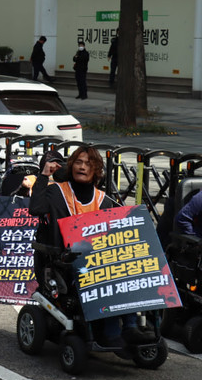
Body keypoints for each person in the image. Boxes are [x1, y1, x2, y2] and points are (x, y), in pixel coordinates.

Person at [29, 146, 146, 346]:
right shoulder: (57, 191)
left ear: (96, 170)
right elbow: (36, 208)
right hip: (67, 263)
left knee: (128, 269)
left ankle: (131, 326)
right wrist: (43, 175)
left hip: (100, 259)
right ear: (71, 166)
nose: (83, 167)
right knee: (103, 275)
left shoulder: (103, 200)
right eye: (78, 162)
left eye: (88, 164)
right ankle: (111, 333)